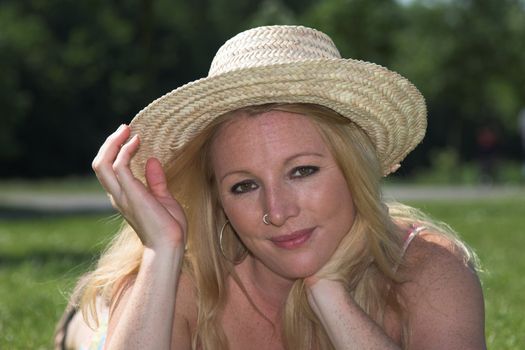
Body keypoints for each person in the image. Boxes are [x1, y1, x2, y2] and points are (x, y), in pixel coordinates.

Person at [55, 25, 486, 349]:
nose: (277, 213)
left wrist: (330, 292)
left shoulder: (428, 272)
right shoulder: (182, 276)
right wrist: (160, 250)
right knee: (97, 326)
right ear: (218, 199)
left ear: (354, 168)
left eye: (302, 171)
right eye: (243, 186)